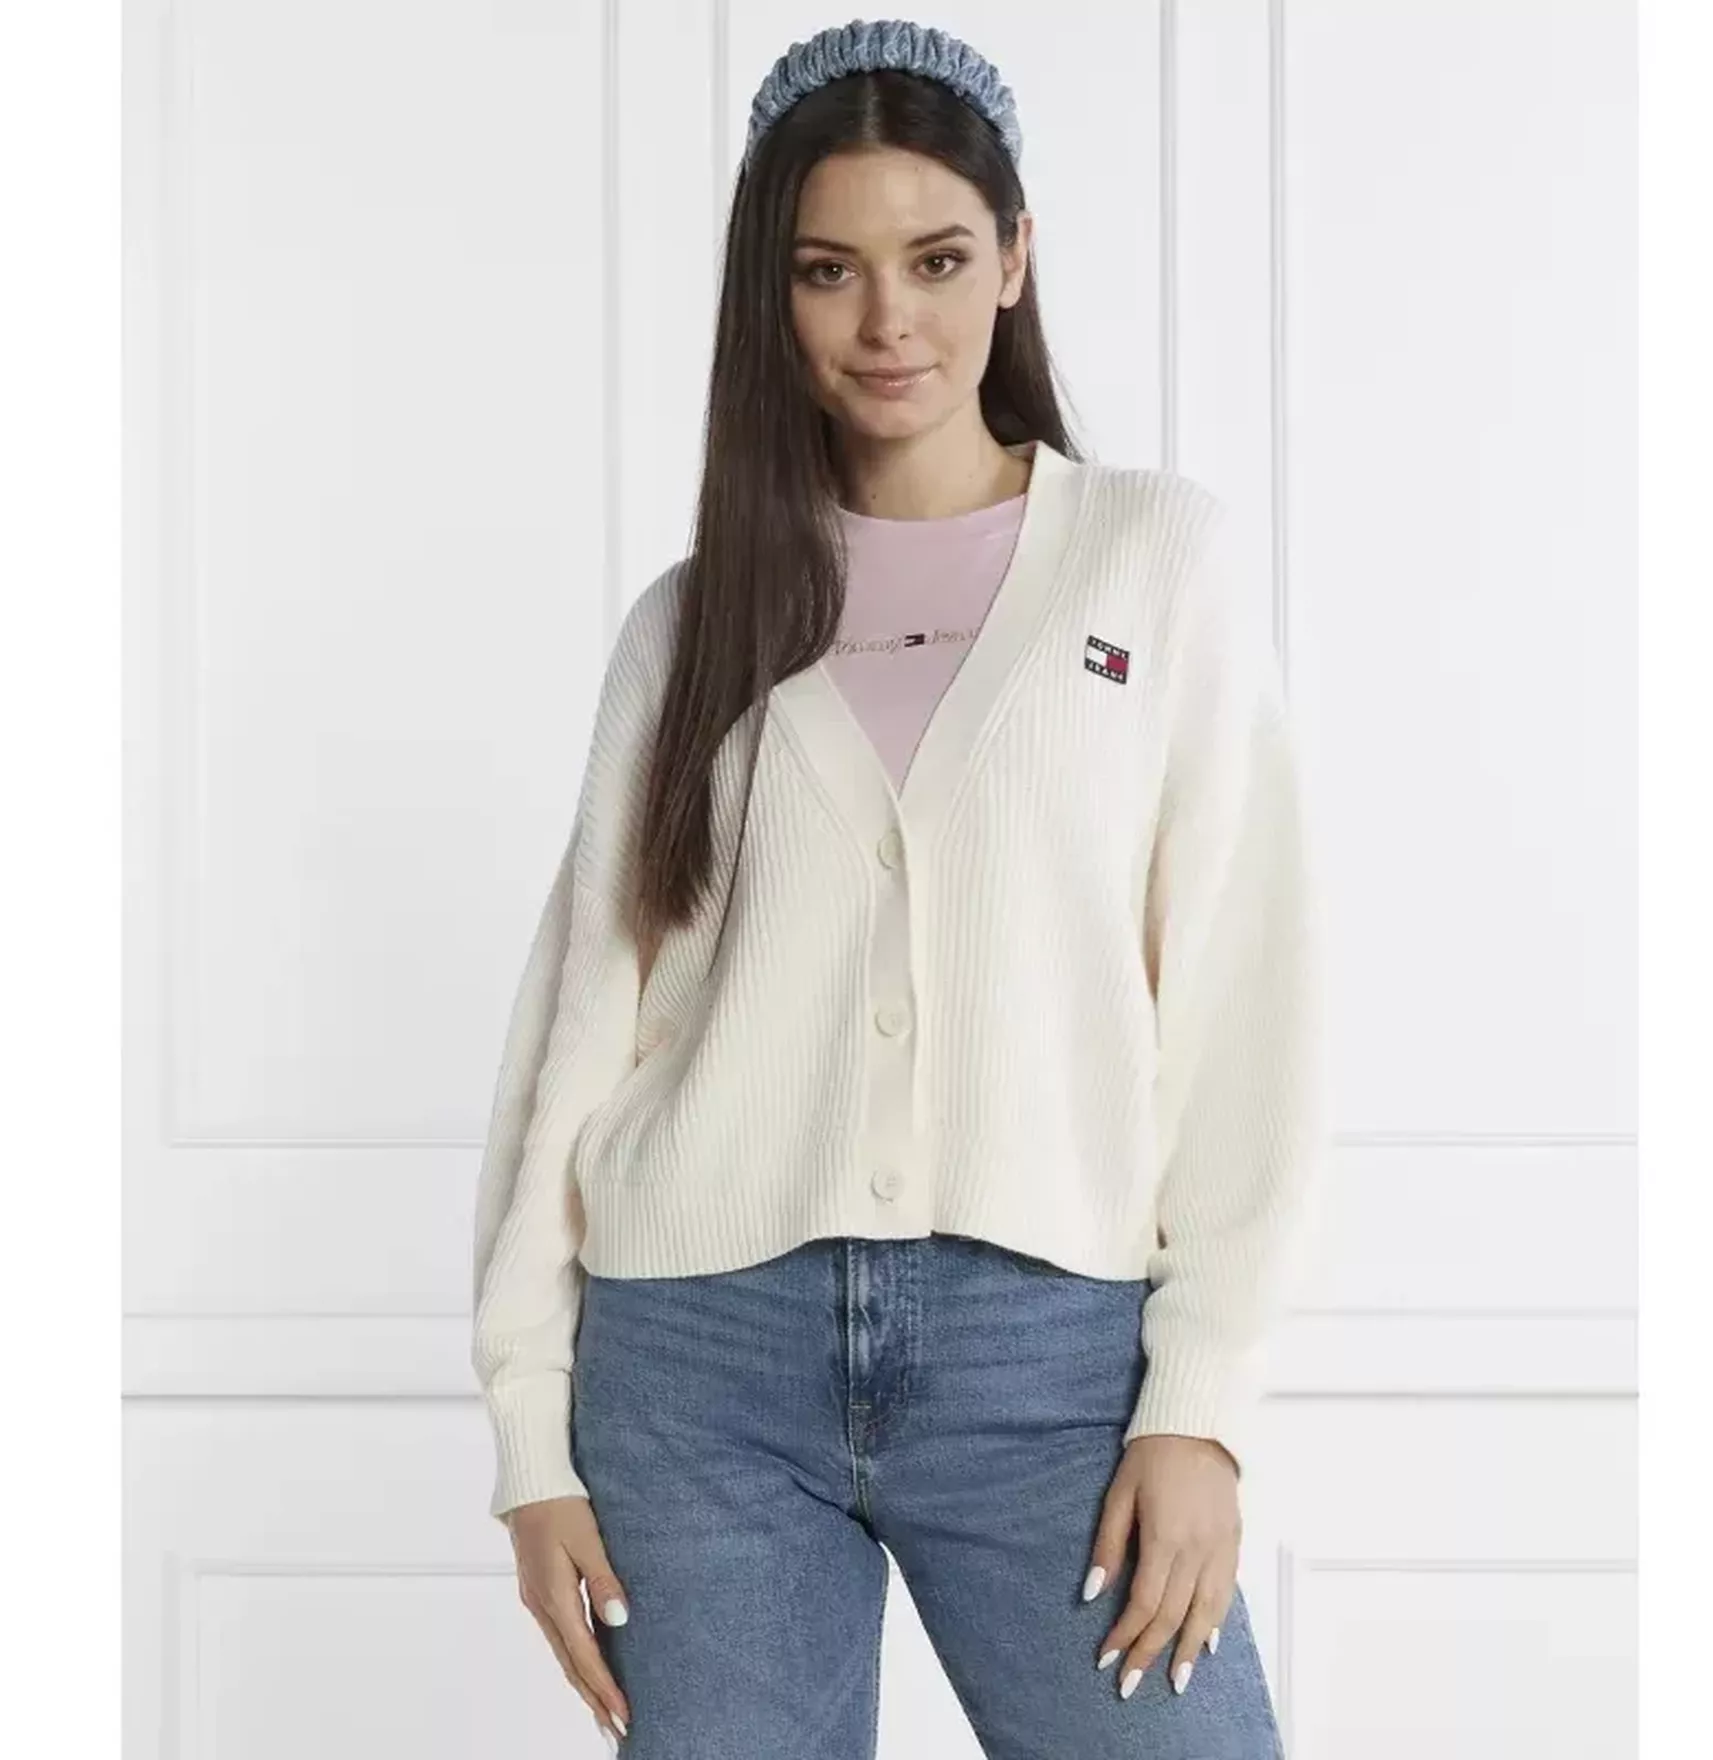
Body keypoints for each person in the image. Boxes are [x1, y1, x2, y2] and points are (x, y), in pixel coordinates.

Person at [469, 17, 1326, 1757]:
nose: (888, 322)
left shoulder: (1153, 562)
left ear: (1015, 257)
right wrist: (531, 1438)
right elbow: (580, 1031)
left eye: (936, 259)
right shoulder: (688, 624)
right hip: (698, 1371)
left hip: (1050, 1360)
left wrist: (1203, 1406)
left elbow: (1246, 1003)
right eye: (828, 270)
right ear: (771, 296)